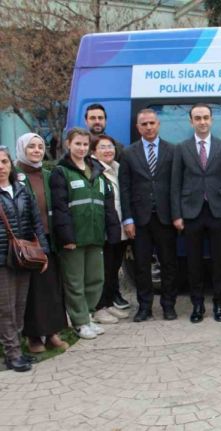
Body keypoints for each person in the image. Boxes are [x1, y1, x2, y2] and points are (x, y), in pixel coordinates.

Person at [50, 127, 121, 340]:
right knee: (75, 282)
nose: (81, 148)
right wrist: (67, 237)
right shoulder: (61, 172)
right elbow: (60, 208)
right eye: (77, 144)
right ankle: (79, 322)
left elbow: (108, 206)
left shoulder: (97, 172)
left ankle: (88, 316)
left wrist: (112, 233)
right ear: (68, 145)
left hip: (95, 237)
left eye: (85, 144)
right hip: (74, 239)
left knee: (95, 279)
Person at [171, 103, 221, 324]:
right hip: (191, 212)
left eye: (206, 117)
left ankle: (219, 304)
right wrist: (177, 214)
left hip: (218, 211)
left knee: (219, 262)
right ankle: (197, 305)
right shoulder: (181, 148)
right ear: (191, 122)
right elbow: (175, 184)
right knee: (193, 263)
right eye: (197, 118)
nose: (202, 122)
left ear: (212, 120)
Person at [120, 109, 178, 322]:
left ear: (158, 124)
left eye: (152, 123)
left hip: (166, 218)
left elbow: (176, 186)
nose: (149, 127)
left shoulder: (173, 150)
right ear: (138, 127)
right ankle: (144, 307)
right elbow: (125, 188)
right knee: (141, 266)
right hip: (139, 220)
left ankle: (168, 306)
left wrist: (177, 215)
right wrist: (128, 219)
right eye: (144, 124)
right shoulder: (128, 153)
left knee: (169, 264)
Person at [15, 134, 69, 353]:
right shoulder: (14, 175)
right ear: (22, 149)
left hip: (49, 239)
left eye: (40, 147)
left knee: (52, 288)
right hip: (27, 241)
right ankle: (34, 337)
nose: (37, 150)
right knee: (32, 291)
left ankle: (53, 333)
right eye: (31, 147)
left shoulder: (48, 174)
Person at [0, 147, 49, 372]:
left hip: (23, 257)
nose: (1, 167)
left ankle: (17, 350)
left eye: (4, 162)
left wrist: (43, 252)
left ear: (10, 165)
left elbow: (36, 222)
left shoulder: (21, 190)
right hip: (2, 259)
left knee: (20, 306)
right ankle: (12, 354)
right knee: (6, 309)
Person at [83, 103, 127, 308]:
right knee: (100, 266)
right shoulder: (81, 150)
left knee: (114, 264)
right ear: (86, 121)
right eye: (93, 118)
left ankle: (112, 296)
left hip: (117, 221)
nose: (97, 121)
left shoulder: (117, 150)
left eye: (100, 117)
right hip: (99, 223)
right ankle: (100, 305)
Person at [89, 135, 130, 325]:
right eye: (103, 147)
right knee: (103, 270)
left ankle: (109, 302)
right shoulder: (94, 171)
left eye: (110, 147)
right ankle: (98, 308)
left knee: (114, 269)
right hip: (104, 229)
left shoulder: (116, 168)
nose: (108, 150)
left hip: (119, 228)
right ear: (94, 151)